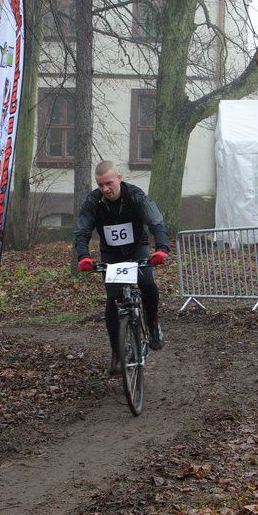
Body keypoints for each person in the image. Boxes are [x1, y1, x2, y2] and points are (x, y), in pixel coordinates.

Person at [74, 161, 169, 375]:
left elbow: (156, 222)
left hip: (137, 248)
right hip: (112, 254)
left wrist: (162, 249)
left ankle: (153, 325)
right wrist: (83, 256)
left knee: (147, 284)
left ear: (119, 178)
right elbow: (82, 231)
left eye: (109, 183)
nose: (105, 189)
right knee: (113, 299)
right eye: (100, 185)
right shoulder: (93, 201)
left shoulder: (135, 196)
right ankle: (117, 354)